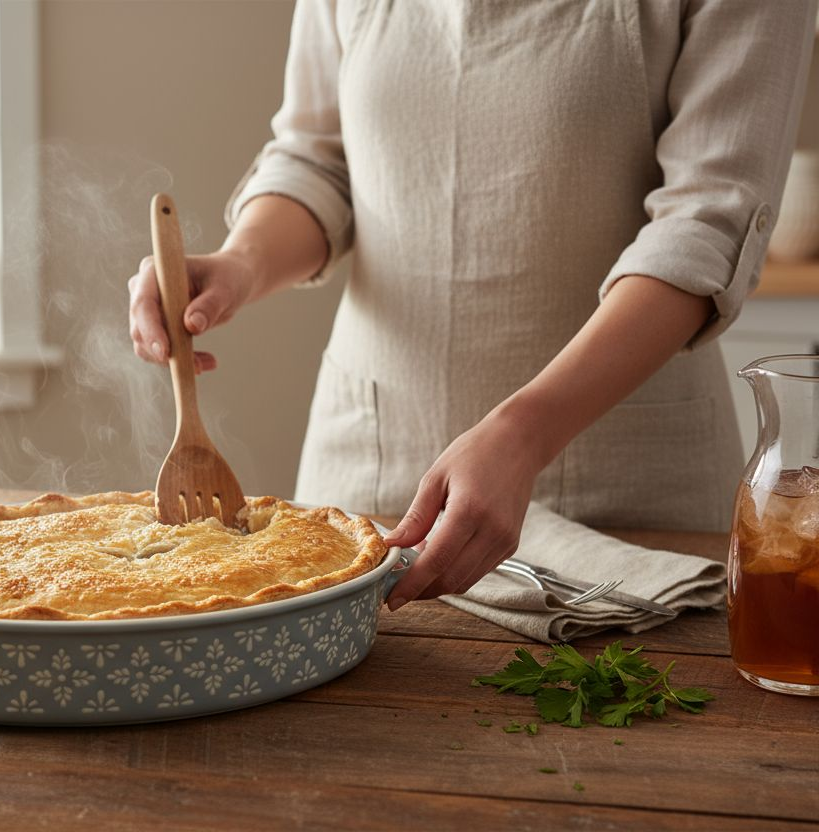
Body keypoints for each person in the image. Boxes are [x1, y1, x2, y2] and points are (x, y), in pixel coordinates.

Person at [127, 0, 815, 609]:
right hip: (368, 480)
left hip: (627, 510)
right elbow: (319, 158)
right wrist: (238, 265)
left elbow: (705, 220)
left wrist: (523, 435)